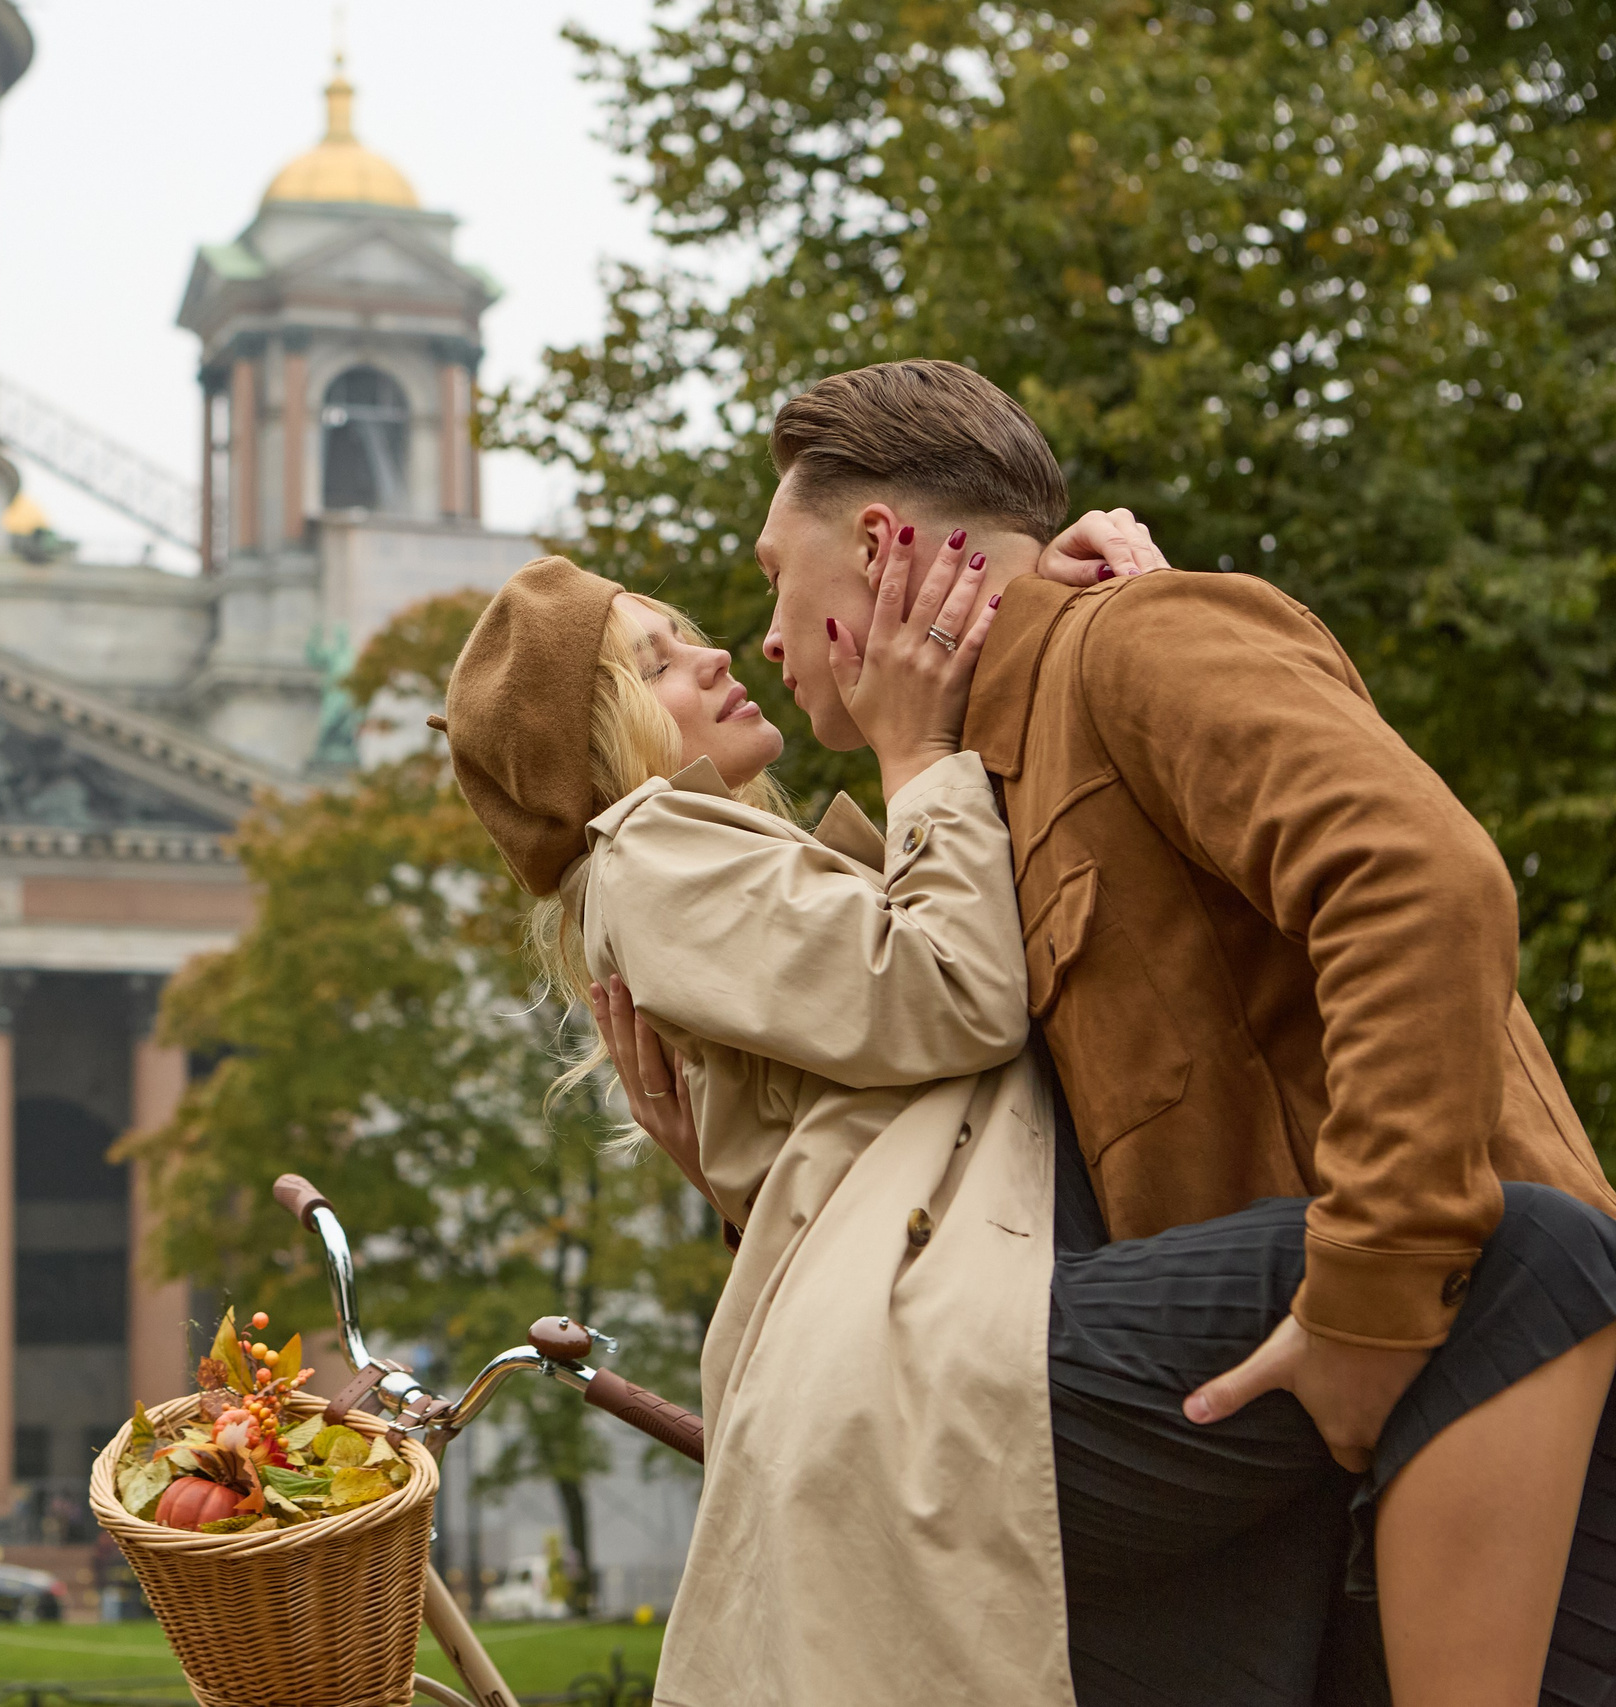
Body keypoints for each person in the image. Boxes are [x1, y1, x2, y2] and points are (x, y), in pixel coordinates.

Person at [592, 359, 1616, 1705]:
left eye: (778, 573)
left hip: (1483, 1366)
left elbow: (1419, 878)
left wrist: (1368, 1293)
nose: (764, 637)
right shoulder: (977, 800)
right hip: (1318, 1450)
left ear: (885, 552)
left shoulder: (1136, 640)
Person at [438, 539, 1081, 1702]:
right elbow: (954, 993)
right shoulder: (654, 856)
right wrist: (915, 750)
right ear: (613, 737)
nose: (716, 654)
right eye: (662, 659)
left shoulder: (697, 865)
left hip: (898, 1338)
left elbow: (841, 1110)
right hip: (936, 1345)